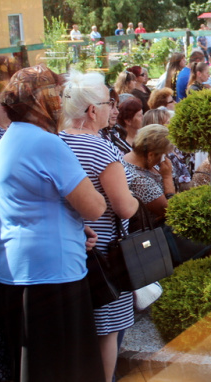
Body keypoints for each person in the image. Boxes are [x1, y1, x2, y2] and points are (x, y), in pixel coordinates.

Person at [0, 65, 106, 382]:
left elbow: (25, 203)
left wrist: (74, 225)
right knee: (65, 367)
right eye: (57, 94)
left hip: (17, 270)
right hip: (53, 274)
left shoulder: (7, 141)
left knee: (35, 366)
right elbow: (94, 206)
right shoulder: (46, 143)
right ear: (44, 101)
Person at [58, 70, 139, 382]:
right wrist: (134, 194)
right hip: (106, 257)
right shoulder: (100, 149)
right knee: (108, 330)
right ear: (93, 110)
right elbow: (125, 207)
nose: (113, 110)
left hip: (74, 250)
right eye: (109, 103)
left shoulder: (59, 142)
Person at [122, 124, 175, 225]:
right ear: (151, 154)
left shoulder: (142, 162)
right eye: (163, 154)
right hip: (153, 236)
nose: (164, 158)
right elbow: (170, 211)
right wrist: (167, 178)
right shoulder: (139, 179)